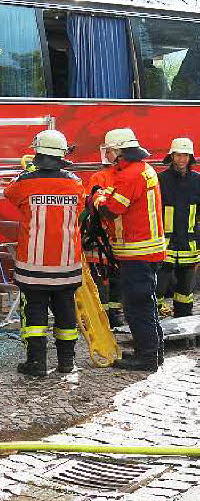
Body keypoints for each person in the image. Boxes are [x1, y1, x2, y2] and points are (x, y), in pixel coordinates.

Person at [4, 130, 84, 377]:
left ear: (37, 154)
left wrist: (27, 171)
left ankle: (36, 362)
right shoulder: (75, 183)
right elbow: (81, 206)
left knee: (35, 314)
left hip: (34, 265)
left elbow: (9, 193)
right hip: (67, 264)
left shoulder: (25, 182)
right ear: (61, 156)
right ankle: (66, 362)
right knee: (66, 311)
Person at [91, 128, 166, 371]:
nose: (109, 155)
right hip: (146, 251)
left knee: (137, 307)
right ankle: (154, 351)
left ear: (120, 151)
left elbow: (111, 210)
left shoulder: (130, 175)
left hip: (137, 253)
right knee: (147, 303)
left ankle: (146, 357)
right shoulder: (144, 170)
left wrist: (97, 199)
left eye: (111, 150)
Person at [157, 138, 200, 317]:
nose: (181, 159)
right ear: (171, 156)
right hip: (164, 245)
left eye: (185, 155)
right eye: (178, 155)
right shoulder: (161, 179)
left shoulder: (197, 180)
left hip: (188, 245)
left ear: (190, 158)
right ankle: (153, 326)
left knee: (185, 292)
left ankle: (183, 320)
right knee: (158, 288)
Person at [82, 148, 123, 328]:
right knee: (111, 278)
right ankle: (111, 315)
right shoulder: (124, 176)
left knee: (104, 278)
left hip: (104, 238)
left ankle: (105, 316)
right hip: (109, 237)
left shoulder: (99, 177)